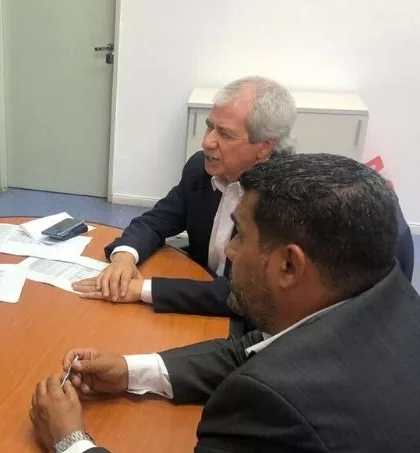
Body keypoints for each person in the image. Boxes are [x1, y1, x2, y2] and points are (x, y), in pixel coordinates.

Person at [31, 153, 420, 452]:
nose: (229, 251)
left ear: (289, 265)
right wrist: (129, 371)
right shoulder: (390, 296)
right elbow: (254, 349)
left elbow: (266, 374)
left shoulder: (272, 405)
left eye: (242, 237)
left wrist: (70, 440)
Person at [73, 76, 414, 318]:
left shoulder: (288, 204)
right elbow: (155, 220)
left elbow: (248, 295)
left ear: (264, 146)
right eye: (209, 126)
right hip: (196, 293)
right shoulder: (201, 168)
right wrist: (124, 257)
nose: (207, 141)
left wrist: (145, 290)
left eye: (224, 133)